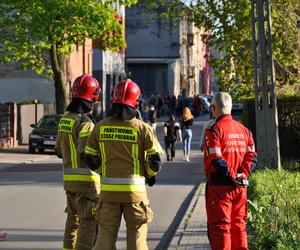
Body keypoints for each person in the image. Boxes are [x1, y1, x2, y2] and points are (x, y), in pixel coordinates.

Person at [82, 79, 164, 250]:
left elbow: (89, 157)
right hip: (135, 194)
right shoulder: (142, 128)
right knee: (137, 240)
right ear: (136, 102)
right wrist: (148, 174)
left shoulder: (100, 127)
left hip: (108, 194)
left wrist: (103, 172)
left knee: (105, 238)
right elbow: (156, 159)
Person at [204, 92, 257, 250]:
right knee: (239, 226)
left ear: (214, 108)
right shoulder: (245, 131)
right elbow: (252, 156)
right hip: (240, 188)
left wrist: (233, 176)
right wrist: (243, 175)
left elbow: (216, 159)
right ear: (231, 107)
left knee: (221, 228)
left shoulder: (214, 130)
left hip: (220, 188)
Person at [55, 74, 101, 250]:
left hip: (69, 183)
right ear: (92, 97)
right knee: (87, 226)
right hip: (87, 186)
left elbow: (58, 150)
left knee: (71, 224)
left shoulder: (66, 119)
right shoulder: (86, 123)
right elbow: (88, 154)